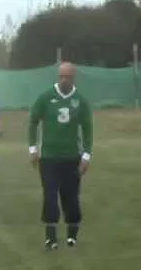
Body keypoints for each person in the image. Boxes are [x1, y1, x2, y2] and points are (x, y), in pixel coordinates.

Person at [28, 62, 93, 251]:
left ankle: (72, 236)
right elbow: (33, 121)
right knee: (49, 196)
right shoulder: (46, 97)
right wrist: (33, 149)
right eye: (61, 76)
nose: (64, 80)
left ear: (74, 77)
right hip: (48, 157)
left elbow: (88, 129)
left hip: (72, 157)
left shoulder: (80, 100)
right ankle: (51, 238)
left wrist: (86, 156)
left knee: (70, 197)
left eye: (68, 76)